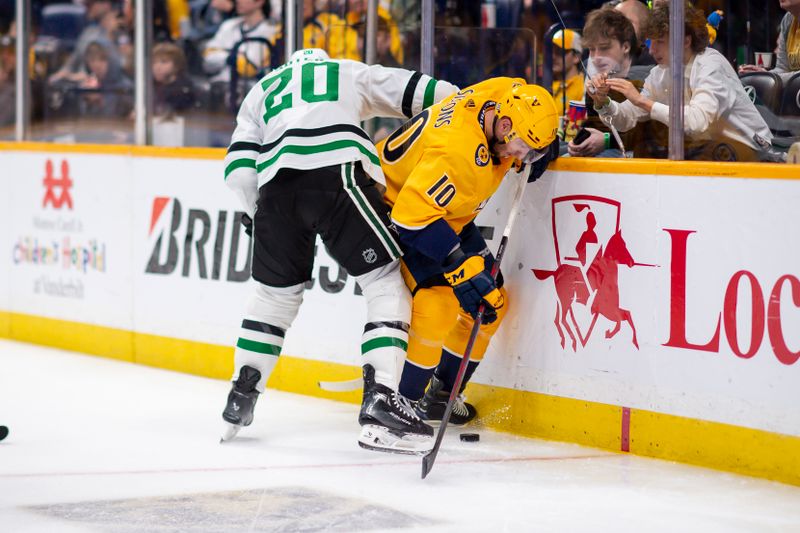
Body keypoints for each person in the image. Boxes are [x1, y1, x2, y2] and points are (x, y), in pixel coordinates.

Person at [221, 48, 458, 454]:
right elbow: (427, 91)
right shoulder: (344, 70)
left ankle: (241, 395)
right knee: (384, 280)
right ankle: (382, 398)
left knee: (273, 298)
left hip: (276, 190)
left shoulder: (261, 89)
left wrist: (254, 212)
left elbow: (240, 171)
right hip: (338, 176)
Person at [375, 79, 559, 425]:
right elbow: (410, 219)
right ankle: (404, 403)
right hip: (397, 208)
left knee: (492, 300)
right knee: (438, 304)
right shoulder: (456, 153)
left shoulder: (507, 94)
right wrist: (457, 266)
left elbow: (529, 105)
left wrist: (543, 144)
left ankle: (443, 394)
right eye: (523, 147)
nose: (523, 158)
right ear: (504, 127)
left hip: (445, 211)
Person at [590, 1, 775, 162]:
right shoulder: (660, 72)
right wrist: (603, 102)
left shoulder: (710, 64)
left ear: (685, 40)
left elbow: (696, 122)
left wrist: (641, 101)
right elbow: (626, 120)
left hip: (752, 153)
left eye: (659, 42)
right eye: (649, 42)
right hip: (711, 152)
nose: (652, 50)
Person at [569, 6, 656, 158]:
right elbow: (577, 121)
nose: (596, 57)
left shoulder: (648, 74)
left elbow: (648, 136)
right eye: (591, 49)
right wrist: (574, 139)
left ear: (626, 46)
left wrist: (607, 141)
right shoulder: (591, 72)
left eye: (604, 48)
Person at [203, 0, 280, 83]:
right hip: (222, 85)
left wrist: (224, 54)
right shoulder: (229, 25)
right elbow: (208, 57)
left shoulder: (271, 31)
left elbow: (250, 68)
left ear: (260, 2)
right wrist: (229, 58)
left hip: (253, 89)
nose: (238, 1)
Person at [739, 0, 800, 82]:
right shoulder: (788, 20)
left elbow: (782, 77)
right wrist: (764, 74)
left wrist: (772, 78)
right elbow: (782, 69)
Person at [152, 42, 196, 116]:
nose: (157, 67)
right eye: (154, 62)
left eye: (164, 62)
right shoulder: (149, 85)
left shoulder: (184, 90)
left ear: (177, 65)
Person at [551, 28, 585, 119]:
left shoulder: (583, 87)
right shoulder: (545, 83)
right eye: (552, 51)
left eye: (560, 52)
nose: (553, 56)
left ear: (576, 57)